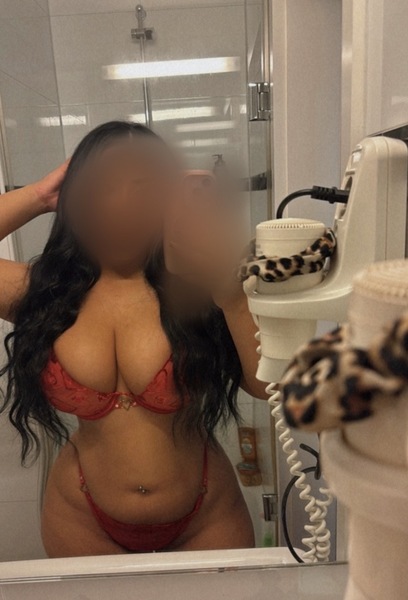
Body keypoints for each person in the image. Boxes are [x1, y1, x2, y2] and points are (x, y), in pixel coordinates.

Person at [0, 121, 266, 557]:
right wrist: (38, 196)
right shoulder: (42, 291)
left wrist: (232, 294)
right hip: (81, 516)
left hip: (206, 513)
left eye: (143, 187)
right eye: (101, 187)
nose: (121, 204)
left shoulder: (199, 287)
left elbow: (268, 387)